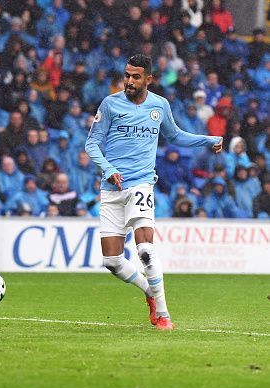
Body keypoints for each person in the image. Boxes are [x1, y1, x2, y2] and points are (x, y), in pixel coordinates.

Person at [85, 54, 222, 331]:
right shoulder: (110, 104)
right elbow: (92, 144)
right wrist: (108, 168)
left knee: (145, 250)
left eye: (136, 76)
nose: (129, 81)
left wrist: (207, 140)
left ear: (149, 79)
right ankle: (149, 290)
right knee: (111, 261)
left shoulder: (160, 105)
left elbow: (175, 136)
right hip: (112, 188)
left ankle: (163, 314)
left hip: (141, 183)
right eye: (127, 75)